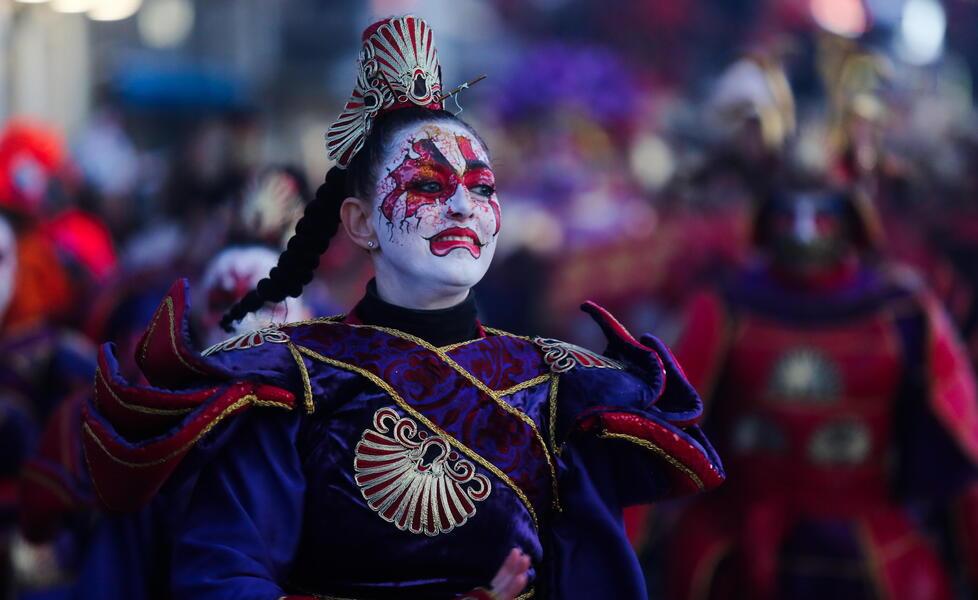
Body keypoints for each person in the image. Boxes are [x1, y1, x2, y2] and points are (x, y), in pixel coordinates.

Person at [82, 15, 723, 599]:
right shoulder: (290, 382)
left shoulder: (559, 389)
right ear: (360, 222)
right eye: (426, 185)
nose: (463, 207)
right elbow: (223, 580)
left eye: (482, 187)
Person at [663, 178, 978, 600]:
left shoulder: (902, 311)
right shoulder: (725, 306)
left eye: (821, 216)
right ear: (766, 221)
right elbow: (666, 425)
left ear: (849, 222)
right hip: (743, 544)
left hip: (872, 550)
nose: (804, 232)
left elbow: (959, 447)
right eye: (788, 215)